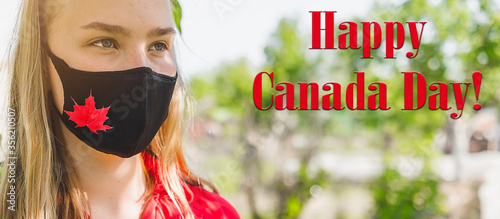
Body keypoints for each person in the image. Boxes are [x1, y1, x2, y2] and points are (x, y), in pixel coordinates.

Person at [0, 0, 240, 218]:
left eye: (158, 45)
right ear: (42, 64)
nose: (143, 70)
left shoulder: (214, 213)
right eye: (105, 42)